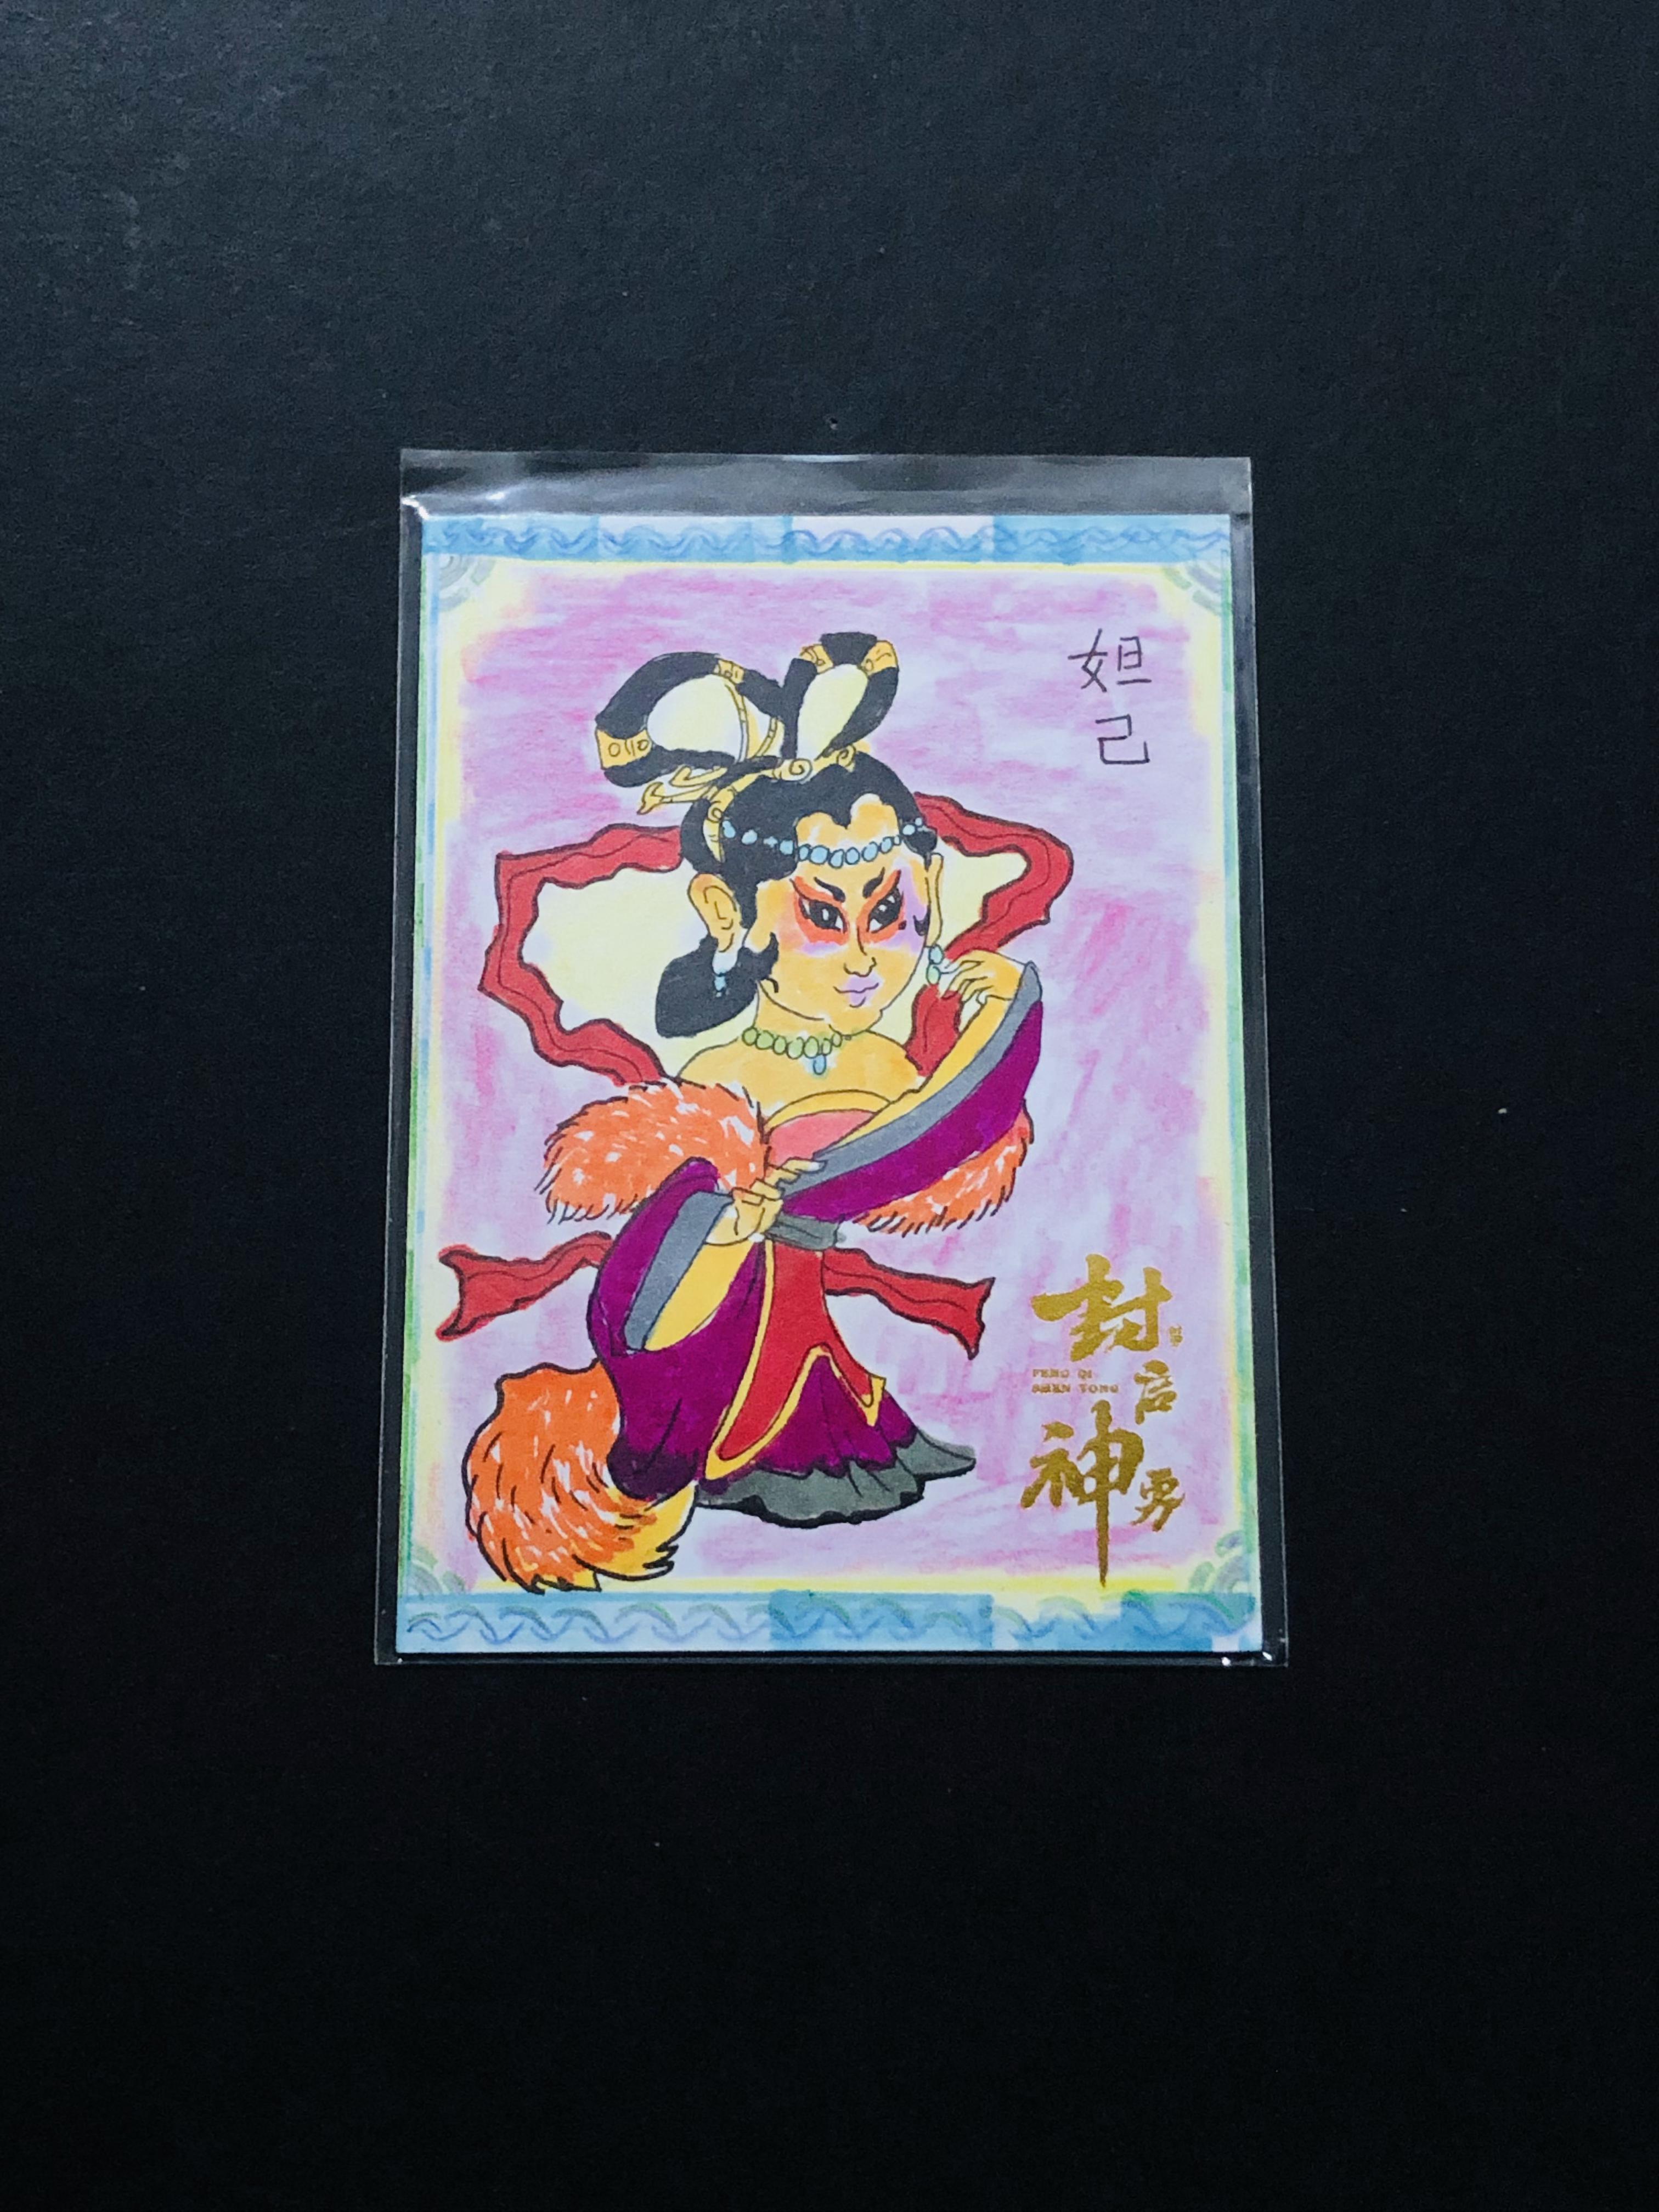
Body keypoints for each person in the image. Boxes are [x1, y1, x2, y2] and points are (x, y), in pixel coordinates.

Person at [462, 633, 1045, 1592]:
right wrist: (728, 1223)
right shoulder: (721, 1076)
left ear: (929, 892)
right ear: (729, 913)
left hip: (802, 1346)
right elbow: (665, 1259)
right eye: (822, 916)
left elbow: (938, 1135)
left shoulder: (891, 1062)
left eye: (888, 912)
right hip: (713, 1339)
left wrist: (996, 1019)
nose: (862, 958)